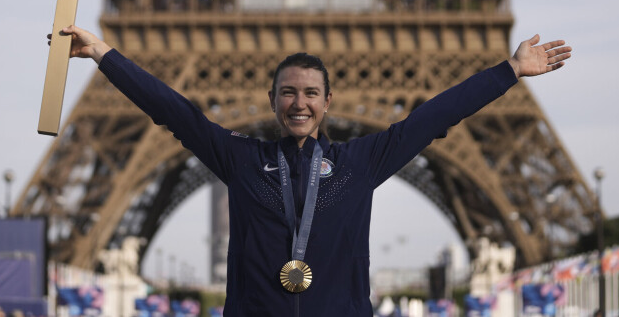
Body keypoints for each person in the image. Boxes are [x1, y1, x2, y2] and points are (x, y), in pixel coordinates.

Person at [56, 25, 572, 316]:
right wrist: (104, 54)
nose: (298, 103)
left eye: (309, 94)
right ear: (273, 100)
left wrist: (509, 71)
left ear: (327, 102)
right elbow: (174, 111)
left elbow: (432, 118)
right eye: (288, 92)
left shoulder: (360, 162)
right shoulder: (241, 160)